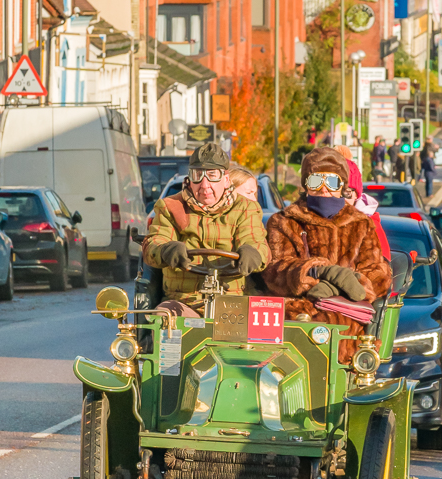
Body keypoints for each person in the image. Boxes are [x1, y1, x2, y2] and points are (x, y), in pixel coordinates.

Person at [262, 147, 391, 363]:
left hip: (347, 330)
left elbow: (379, 274)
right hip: (296, 326)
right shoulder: (284, 221)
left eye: (332, 182)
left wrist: (345, 283)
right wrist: (315, 272)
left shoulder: (361, 223)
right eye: (316, 182)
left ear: (342, 186)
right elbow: (274, 270)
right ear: (305, 185)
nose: (324, 190)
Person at [142, 142, 269, 309]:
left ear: (225, 179)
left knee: (256, 329)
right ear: (189, 179)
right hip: (182, 302)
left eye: (212, 175)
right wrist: (166, 249)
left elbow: (256, 243)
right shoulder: (170, 207)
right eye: (197, 175)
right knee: (164, 322)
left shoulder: (245, 208)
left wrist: (252, 252)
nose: (204, 184)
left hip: (232, 303)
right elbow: (154, 243)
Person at [344, 158, 391, 260]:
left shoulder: (371, 226)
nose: (341, 199)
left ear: (357, 195)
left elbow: (382, 270)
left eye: (346, 192)